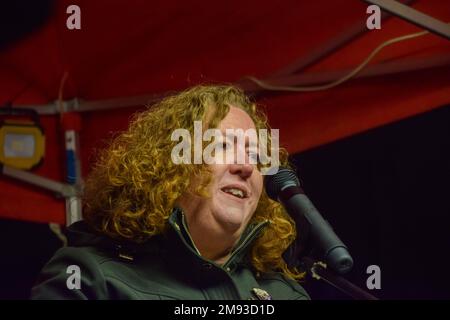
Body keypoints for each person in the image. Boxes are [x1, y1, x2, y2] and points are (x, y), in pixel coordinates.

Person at [31, 85, 309, 300]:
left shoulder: (284, 292)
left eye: (255, 155)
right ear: (168, 165)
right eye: (222, 146)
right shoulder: (90, 277)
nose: (246, 166)